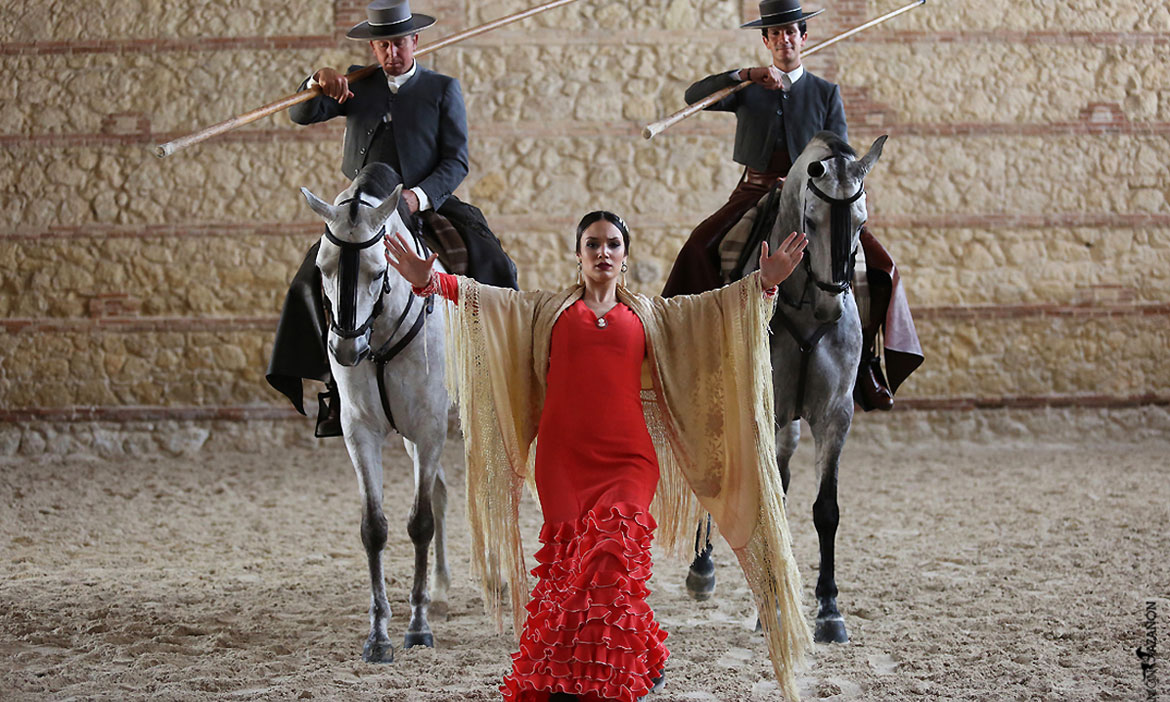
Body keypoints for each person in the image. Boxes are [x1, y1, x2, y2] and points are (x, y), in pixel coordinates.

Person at [384, 212, 813, 702]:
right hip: (562, 462)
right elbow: (492, 303)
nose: (603, 252)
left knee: (612, 559)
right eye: (593, 244)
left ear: (625, 255)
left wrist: (764, 284)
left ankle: (608, 685)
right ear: (578, 254)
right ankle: (639, 657)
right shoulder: (546, 310)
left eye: (612, 244)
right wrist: (433, 283)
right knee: (570, 570)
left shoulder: (653, 315)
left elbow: (711, 313)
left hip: (629, 460)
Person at [266, 0, 518, 437]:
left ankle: (494, 374)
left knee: (491, 261)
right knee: (312, 276)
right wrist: (317, 80)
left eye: (398, 43)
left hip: (423, 203)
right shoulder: (356, 84)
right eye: (382, 45)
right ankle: (332, 390)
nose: (391, 53)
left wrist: (420, 198)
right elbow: (301, 113)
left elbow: (456, 161)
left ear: (414, 41)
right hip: (360, 208)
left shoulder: (442, 88)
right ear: (375, 47)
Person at [661, 0, 922, 409]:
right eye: (776, 33)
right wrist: (745, 76)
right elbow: (694, 96)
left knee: (881, 265)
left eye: (791, 32)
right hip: (755, 190)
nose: (785, 39)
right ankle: (696, 355)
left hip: (816, 198)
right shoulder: (748, 90)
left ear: (804, 37)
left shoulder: (824, 92)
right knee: (698, 246)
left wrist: (808, 179)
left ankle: (868, 363)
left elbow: (842, 155)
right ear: (766, 41)